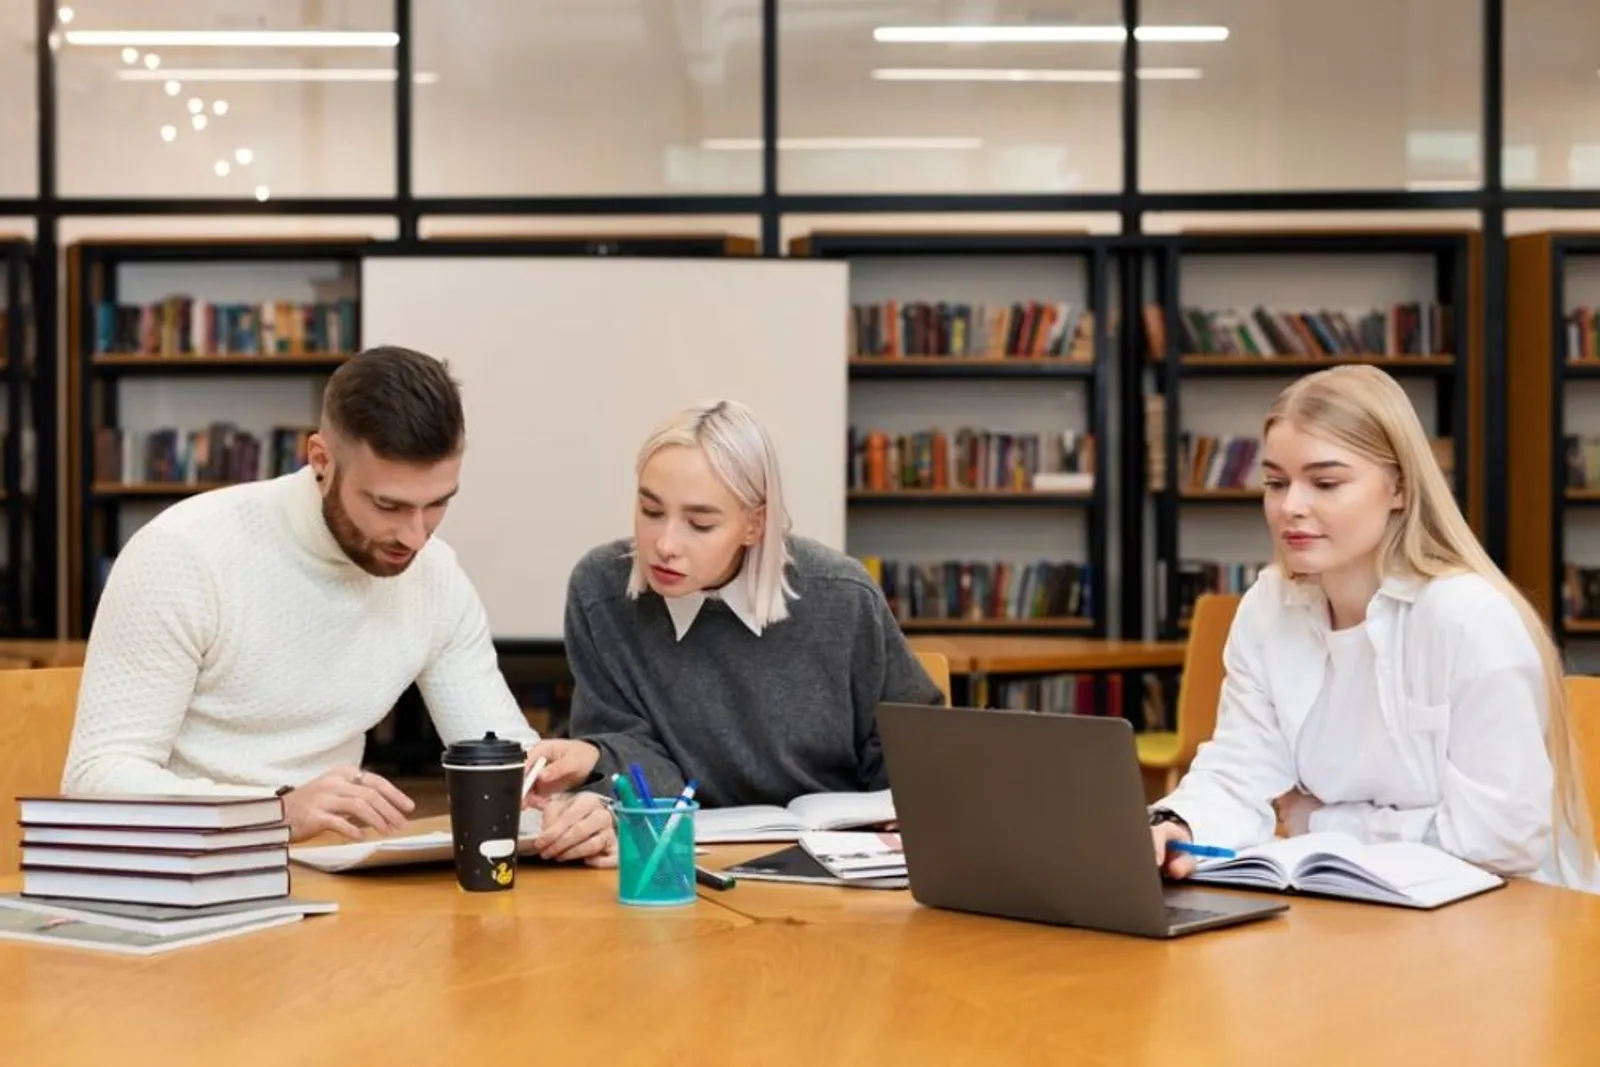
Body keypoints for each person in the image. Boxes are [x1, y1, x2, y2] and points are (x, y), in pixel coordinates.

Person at [62, 345, 615, 865]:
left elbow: (504, 762)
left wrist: (562, 811)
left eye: (438, 504)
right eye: (388, 505)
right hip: (180, 873)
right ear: (321, 459)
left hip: (323, 874)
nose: (416, 536)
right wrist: (274, 812)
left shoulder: (435, 576)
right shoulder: (185, 554)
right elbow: (96, 779)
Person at [1148, 364, 1596, 892]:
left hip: (1503, 919)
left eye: (1326, 482)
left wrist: (1320, 820)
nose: (1290, 506)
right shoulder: (1268, 606)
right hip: (1347, 903)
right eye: (1275, 482)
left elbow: (1499, 841)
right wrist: (1175, 825)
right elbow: (1239, 769)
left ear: (1399, 488)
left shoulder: (1469, 617)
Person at [526, 398, 945, 808]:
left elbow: (912, 745)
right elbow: (628, 756)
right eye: (651, 511)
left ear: (754, 524)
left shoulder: (841, 594)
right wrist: (597, 759)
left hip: (831, 855)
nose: (665, 545)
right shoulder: (601, 591)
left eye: (700, 524)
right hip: (683, 853)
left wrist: (901, 814)